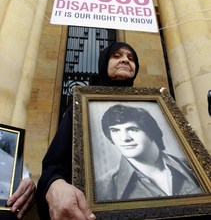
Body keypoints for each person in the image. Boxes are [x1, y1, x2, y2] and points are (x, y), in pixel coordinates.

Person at [36, 42, 139, 220]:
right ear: (103, 64)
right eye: (117, 56)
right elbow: (54, 165)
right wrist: (56, 185)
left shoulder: (149, 109)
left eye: (131, 58)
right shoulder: (80, 107)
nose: (125, 60)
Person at [96, 104, 202, 201]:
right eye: (115, 131)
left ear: (151, 132)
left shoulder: (194, 166)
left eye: (132, 129)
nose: (124, 138)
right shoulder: (102, 187)